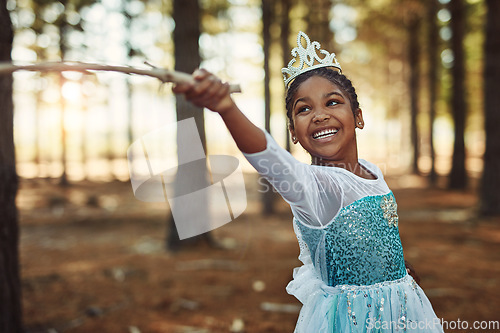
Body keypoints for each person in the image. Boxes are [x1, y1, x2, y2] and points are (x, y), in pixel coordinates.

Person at [173, 31, 443, 333]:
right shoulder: (313, 187)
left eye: (332, 102)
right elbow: (270, 158)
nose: (319, 116)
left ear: (358, 116)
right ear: (293, 132)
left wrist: (396, 275)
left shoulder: (370, 171)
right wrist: (226, 107)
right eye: (304, 109)